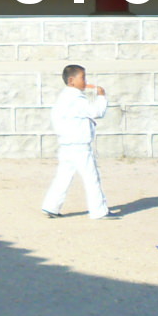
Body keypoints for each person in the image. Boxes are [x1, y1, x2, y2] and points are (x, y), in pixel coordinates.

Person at [41, 65, 112, 220]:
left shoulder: (63, 98)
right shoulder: (75, 98)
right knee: (91, 177)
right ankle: (99, 211)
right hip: (79, 145)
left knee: (63, 176)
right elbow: (96, 112)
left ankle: (51, 206)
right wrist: (101, 96)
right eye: (83, 78)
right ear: (72, 80)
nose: (85, 81)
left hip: (66, 144)